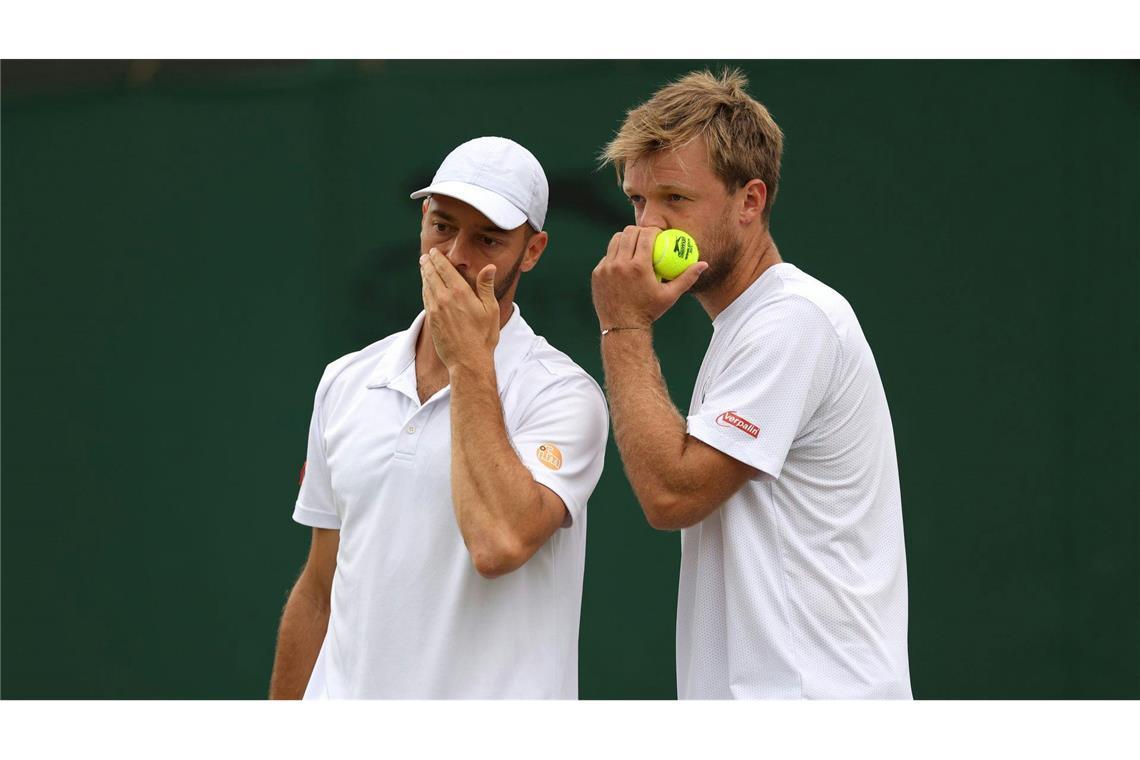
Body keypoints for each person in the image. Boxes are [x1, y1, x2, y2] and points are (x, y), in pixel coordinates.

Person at [591, 69, 911, 699]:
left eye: (675, 200)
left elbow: (671, 494)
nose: (647, 228)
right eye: (637, 201)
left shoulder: (792, 321)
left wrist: (623, 327)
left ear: (750, 201)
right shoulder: (753, 323)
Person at [269, 136, 609, 699]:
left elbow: (499, 543)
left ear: (533, 250)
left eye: (488, 239)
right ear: (422, 221)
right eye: (443, 226)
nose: (456, 256)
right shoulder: (345, 380)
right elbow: (320, 589)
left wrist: (470, 361)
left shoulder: (565, 396)